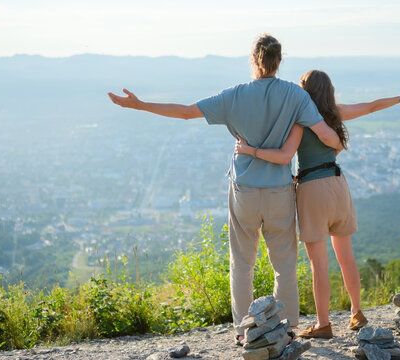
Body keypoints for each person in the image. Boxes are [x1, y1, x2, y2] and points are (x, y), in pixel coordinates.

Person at [108, 35, 344, 344]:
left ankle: (245, 331)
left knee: (242, 263)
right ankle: (284, 327)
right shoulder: (295, 96)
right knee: (284, 264)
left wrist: (139, 105)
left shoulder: (234, 96)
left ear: (253, 60)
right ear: (278, 61)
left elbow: (185, 111)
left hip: (244, 189)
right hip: (279, 191)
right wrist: (339, 144)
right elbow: (325, 134)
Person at [235, 70, 400, 338]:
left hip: (312, 190)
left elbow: (284, 155)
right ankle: (357, 312)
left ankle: (323, 324)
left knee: (319, 264)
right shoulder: (335, 113)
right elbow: (372, 106)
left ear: (305, 91)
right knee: (346, 257)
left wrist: (249, 150)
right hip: (338, 184)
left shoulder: (300, 120)